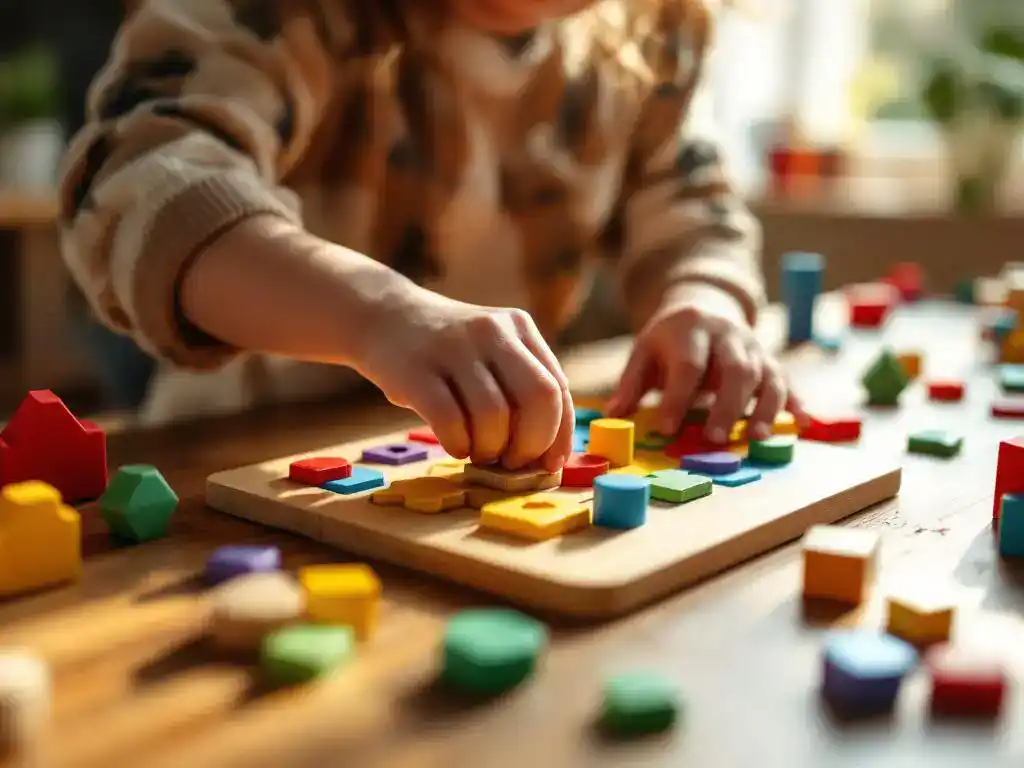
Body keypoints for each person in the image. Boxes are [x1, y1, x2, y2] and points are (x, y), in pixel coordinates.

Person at [58, 0, 803, 471]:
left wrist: (706, 301)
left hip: (476, 478)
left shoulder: (660, 26)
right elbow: (137, 184)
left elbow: (693, 210)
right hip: (229, 471)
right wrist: (376, 312)